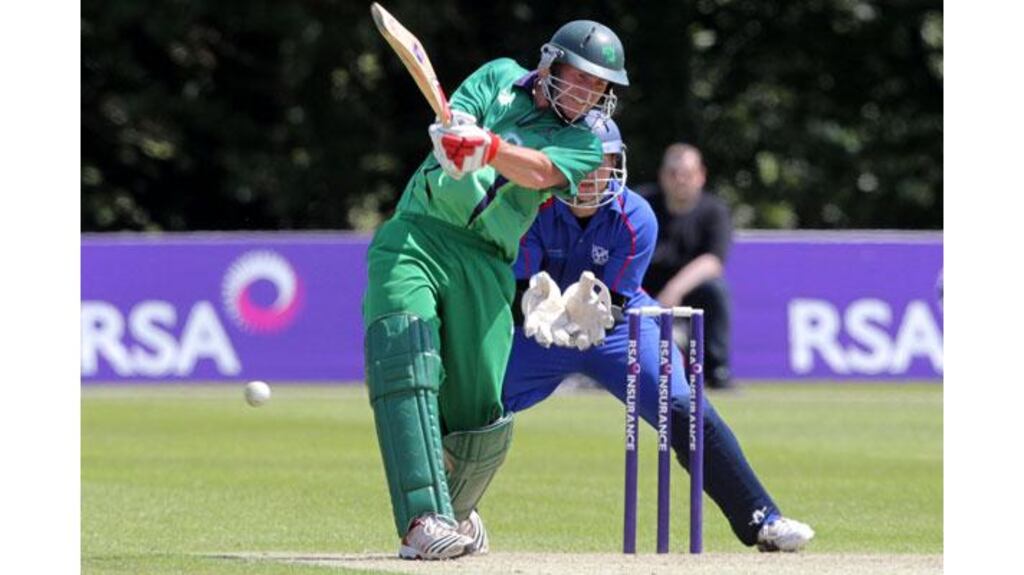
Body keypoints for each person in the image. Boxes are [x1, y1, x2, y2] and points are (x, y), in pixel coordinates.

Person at [361, 21, 630, 560]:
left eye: (597, 88)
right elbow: (460, 116)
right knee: (404, 352)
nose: (585, 95)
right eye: (577, 79)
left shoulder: (580, 142)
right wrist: (456, 134)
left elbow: (537, 171)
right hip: (419, 231)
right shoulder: (500, 76)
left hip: (486, 260)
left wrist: (487, 147)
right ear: (550, 65)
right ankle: (422, 523)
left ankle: (459, 513)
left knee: (478, 409)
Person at [504, 115, 815, 552]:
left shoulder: (636, 215)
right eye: (581, 162)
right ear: (558, 164)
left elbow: (609, 304)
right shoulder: (528, 206)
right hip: (544, 331)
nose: (592, 175)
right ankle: (445, 517)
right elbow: (522, 288)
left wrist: (577, 316)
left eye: (603, 162)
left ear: (617, 162)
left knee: (682, 405)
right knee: (477, 404)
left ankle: (762, 518)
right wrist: (536, 312)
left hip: (619, 327)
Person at [639, 144, 735, 389]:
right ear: (662, 175)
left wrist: (674, 290)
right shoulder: (642, 204)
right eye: (673, 173)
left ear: (700, 175)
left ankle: (717, 370)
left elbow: (712, 261)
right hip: (643, 285)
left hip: (688, 289)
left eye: (687, 173)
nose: (680, 180)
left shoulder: (714, 211)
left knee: (716, 290)